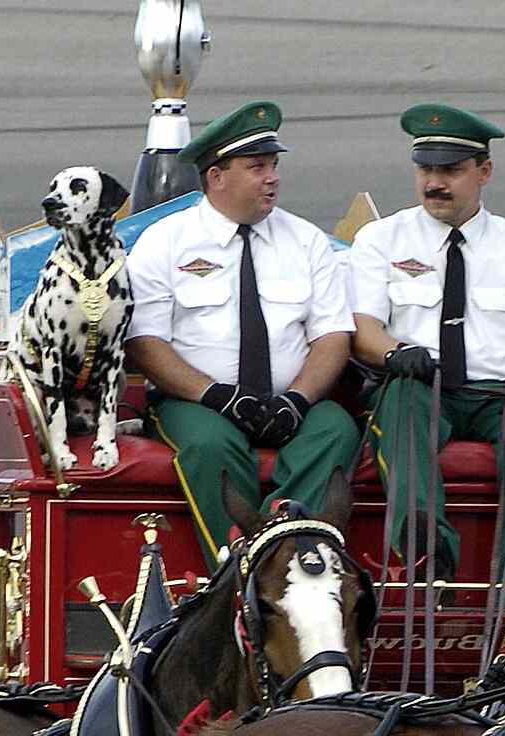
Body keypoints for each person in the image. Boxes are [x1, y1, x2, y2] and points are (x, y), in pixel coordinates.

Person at [349, 103, 505, 584]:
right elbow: (363, 329)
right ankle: (428, 551)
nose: (435, 182)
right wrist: (394, 354)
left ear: (484, 172)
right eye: (426, 169)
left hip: (498, 394)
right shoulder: (380, 240)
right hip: (419, 384)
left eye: (450, 170)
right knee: (401, 401)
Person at [124, 100, 358, 560]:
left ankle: (280, 547)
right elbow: (145, 343)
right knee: (210, 445)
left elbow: (332, 337)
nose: (272, 177)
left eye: (273, 165)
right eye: (257, 167)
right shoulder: (165, 241)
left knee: (335, 429)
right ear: (216, 177)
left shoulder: (306, 241)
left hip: (289, 402)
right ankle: (234, 568)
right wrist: (216, 396)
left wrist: (299, 399)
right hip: (198, 403)